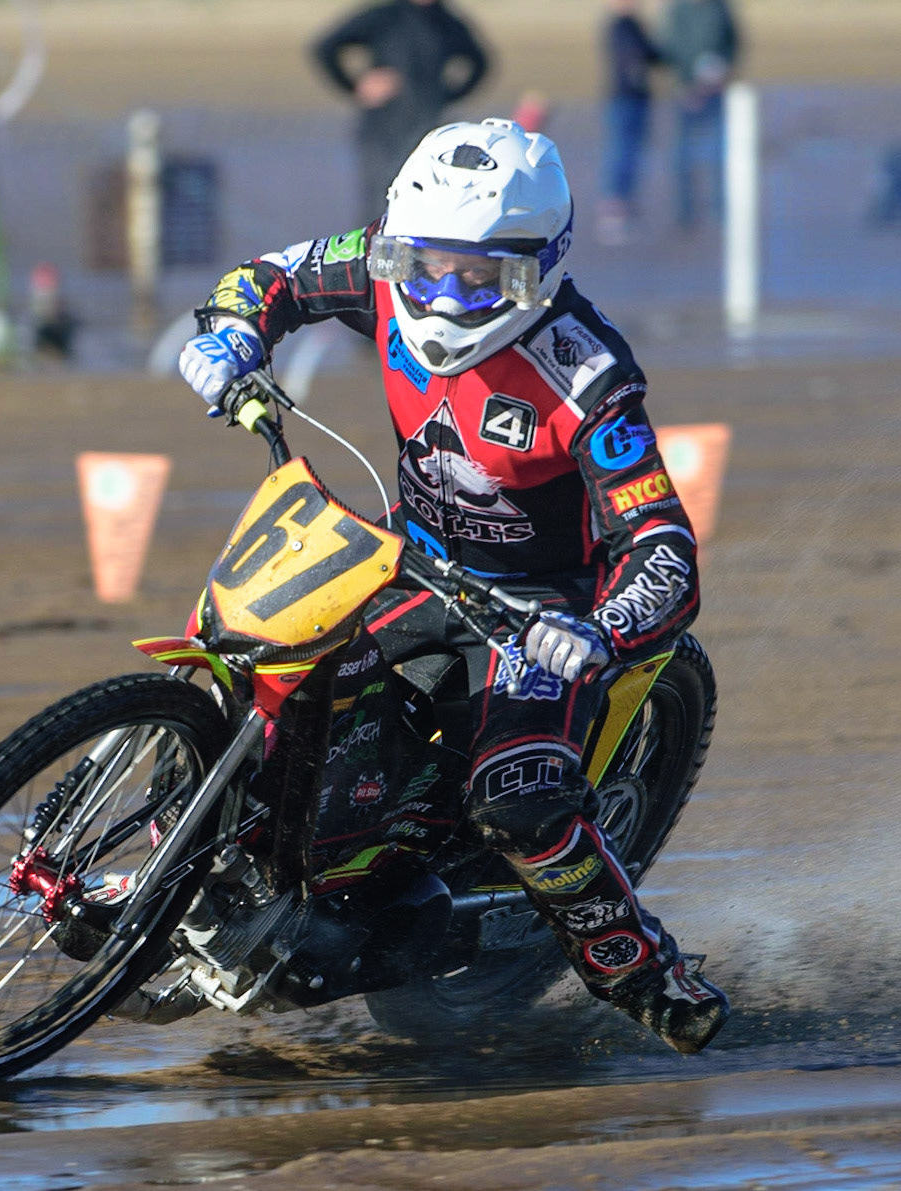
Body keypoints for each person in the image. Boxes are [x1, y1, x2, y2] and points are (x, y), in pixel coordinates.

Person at [175, 119, 730, 1054]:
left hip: (542, 608)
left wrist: (598, 631)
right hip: (412, 558)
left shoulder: (588, 376)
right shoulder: (382, 276)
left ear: (540, 269)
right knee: (257, 660)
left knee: (518, 796)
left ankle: (642, 968)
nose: (442, 295)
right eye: (423, 265)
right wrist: (232, 333)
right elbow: (270, 274)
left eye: (481, 279)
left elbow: (666, 552)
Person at [314, 0, 490, 225]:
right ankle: (368, 255)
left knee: (425, 195)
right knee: (380, 196)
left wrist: (447, 95)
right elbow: (325, 47)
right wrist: (356, 85)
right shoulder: (384, 16)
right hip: (382, 127)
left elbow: (480, 62)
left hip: (427, 128)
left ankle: (417, 255)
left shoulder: (446, 21)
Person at [661, 0, 741, 231]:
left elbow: (732, 42)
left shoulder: (720, 8)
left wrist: (722, 72)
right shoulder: (679, 10)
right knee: (683, 154)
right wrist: (687, 85)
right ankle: (685, 212)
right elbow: (671, 48)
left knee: (720, 152)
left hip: (717, 92)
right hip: (685, 93)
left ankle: (722, 210)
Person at [597, 0, 663, 246]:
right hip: (626, 98)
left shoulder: (632, 24)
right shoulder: (621, 25)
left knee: (629, 152)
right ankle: (615, 210)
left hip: (631, 98)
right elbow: (634, 57)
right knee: (623, 152)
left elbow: (653, 54)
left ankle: (623, 207)